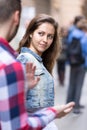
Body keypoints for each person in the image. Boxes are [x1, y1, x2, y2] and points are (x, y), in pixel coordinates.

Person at [0, 0, 75, 130]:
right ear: (30, 33)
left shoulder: (38, 60)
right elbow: (15, 107)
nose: (45, 40)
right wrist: (53, 113)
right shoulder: (25, 60)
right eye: (41, 34)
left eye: (50, 36)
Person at [66, 19, 87, 114]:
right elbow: (85, 50)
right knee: (79, 85)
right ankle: (76, 107)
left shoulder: (72, 33)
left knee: (71, 84)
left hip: (73, 62)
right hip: (82, 63)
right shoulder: (83, 36)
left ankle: (68, 104)